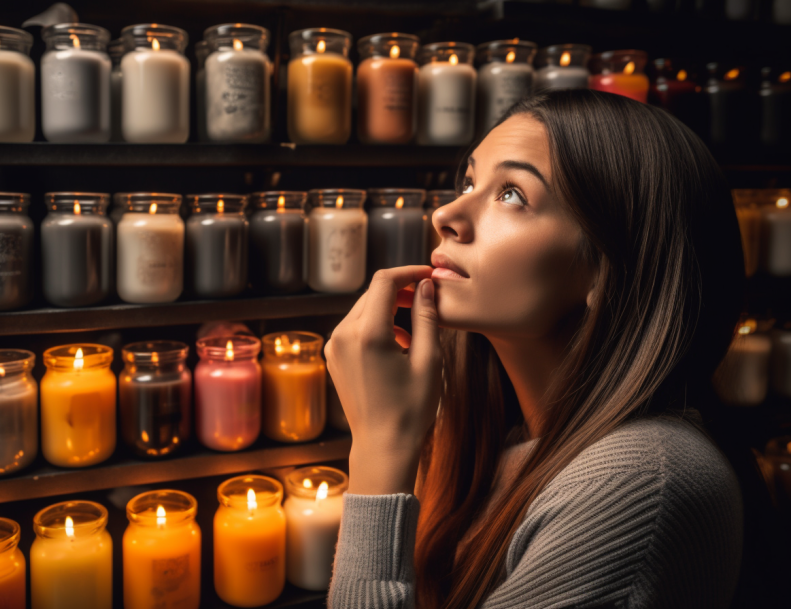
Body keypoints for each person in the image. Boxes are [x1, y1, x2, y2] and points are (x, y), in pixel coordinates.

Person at [325, 89, 779, 608]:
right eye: (469, 182)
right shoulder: (499, 443)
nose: (446, 214)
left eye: (512, 194)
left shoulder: (640, 481)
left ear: (608, 269)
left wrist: (381, 445)